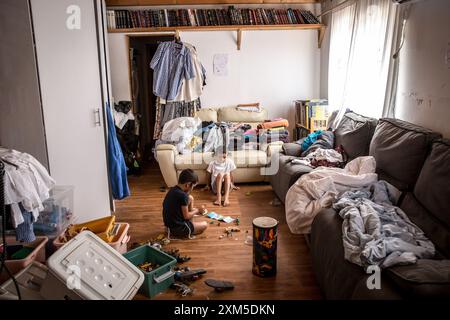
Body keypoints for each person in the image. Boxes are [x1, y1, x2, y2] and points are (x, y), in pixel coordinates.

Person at [162, 169, 208, 238]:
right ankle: (186, 230)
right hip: (178, 228)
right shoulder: (183, 196)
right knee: (205, 225)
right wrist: (198, 210)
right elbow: (186, 216)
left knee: (190, 198)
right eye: (193, 186)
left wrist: (195, 210)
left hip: (169, 224)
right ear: (188, 185)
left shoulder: (173, 189)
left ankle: (190, 225)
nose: (192, 189)